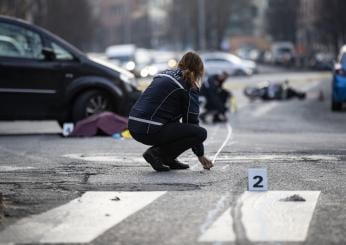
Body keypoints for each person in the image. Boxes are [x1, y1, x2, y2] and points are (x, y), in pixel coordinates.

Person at [128, 51, 213, 172]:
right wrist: (200, 155)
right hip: (149, 128)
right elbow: (191, 122)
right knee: (200, 133)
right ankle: (157, 154)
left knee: (176, 125)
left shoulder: (165, 74)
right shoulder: (188, 85)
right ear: (199, 70)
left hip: (134, 125)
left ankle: (168, 158)